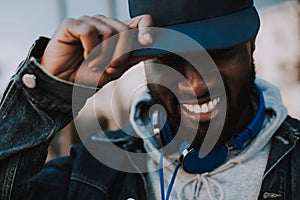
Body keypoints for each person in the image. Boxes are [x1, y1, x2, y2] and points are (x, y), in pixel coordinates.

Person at [0, 0, 299, 199]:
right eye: (169, 60)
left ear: (251, 44)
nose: (195, 85)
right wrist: (43, 97)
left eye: (217, 55)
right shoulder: (88, 175)